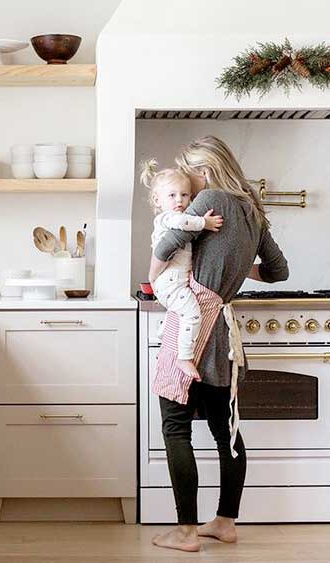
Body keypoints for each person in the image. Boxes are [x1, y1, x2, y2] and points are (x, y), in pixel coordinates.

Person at [148, 136, 289, 553]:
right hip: (223, 330)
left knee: (175, 428)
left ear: (204, 171)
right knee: (225, 430)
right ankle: (225, 522)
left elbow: (167, 242)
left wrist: (154, 275)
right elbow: (278, 271)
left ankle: (186, 532)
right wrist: (236, 271)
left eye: (190, 176)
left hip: (193, 324)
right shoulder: (252, 209)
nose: (187, 190)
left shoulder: (209, 197)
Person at [141, 159, 223, 380]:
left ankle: (166, 331)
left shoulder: (174, 216)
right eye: (172, 195)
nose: (179, 200)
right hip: (170, 281)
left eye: (185, 195)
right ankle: (184, 357)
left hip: (174, 281)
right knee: (193, 314)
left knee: (180, 312)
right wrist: (204, 223)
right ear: (158, 200)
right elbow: (184, 223)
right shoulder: (166, 218)